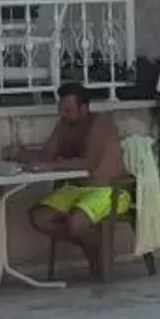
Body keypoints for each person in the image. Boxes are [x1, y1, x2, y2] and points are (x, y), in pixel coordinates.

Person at [14, 79, 131, 280]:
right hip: (76, 188)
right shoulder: (64, 124)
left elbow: (88, 163)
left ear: (84, 108)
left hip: (108, 190)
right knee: (39, 217)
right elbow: (46, 155)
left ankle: (98, 252)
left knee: (76, 224)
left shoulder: (100, 124)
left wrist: (50, 166)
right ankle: (95, 246)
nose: (63, 114)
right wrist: (19, 155)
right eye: (61, 109)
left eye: (68, 110)